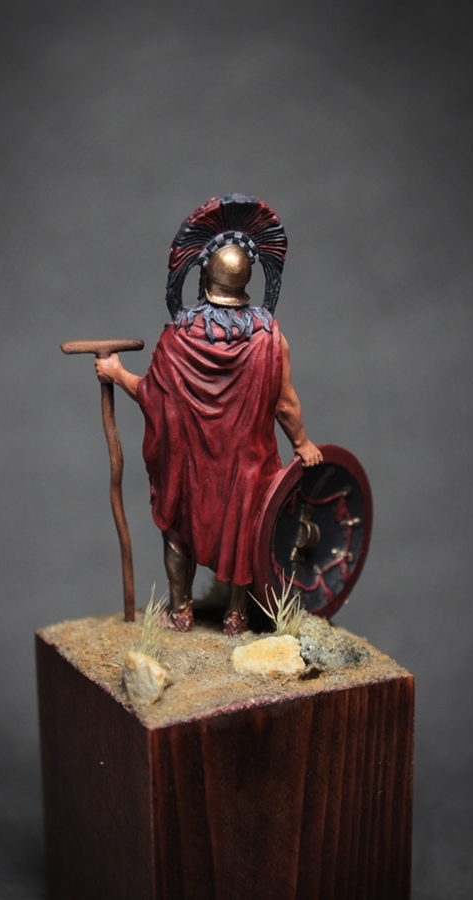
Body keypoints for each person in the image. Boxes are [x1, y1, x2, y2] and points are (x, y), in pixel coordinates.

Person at [96, 196, 321, 634]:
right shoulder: (270, 338)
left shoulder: (179, 338)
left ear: (204, 278)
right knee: (245, 531)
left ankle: (181, 611)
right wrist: (302, 443)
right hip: (246, 468)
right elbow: (286, 404)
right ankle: (237, 617)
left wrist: (117, 373)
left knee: (178, 531)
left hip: (190, 470)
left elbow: (153, 396)